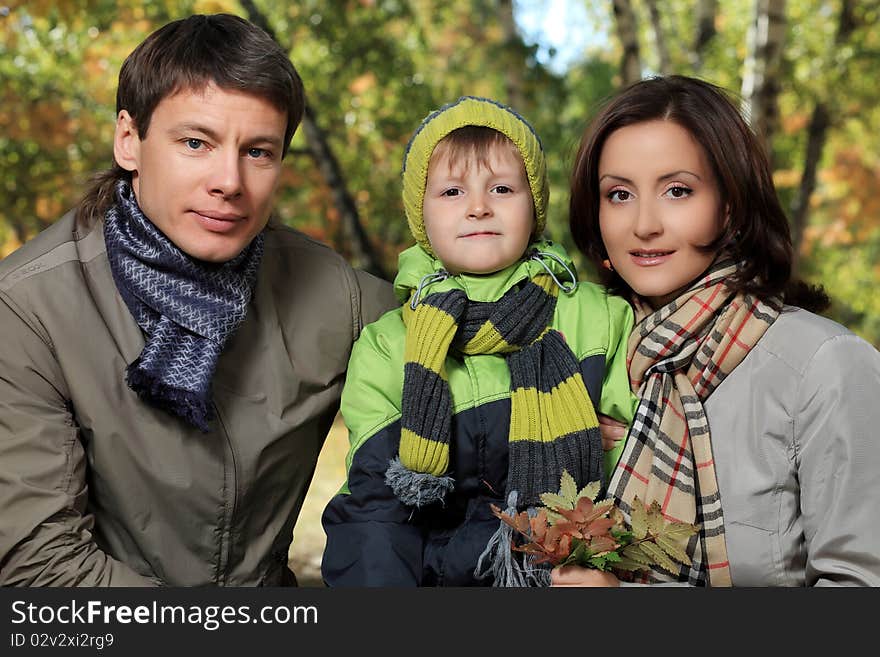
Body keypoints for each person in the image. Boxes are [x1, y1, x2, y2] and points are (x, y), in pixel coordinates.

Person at [0, 13, 396, 586]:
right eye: (195, 142)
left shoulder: (333, 293)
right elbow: (41, 569)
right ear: (129, 141)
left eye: (258, 152)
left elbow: (467, 329)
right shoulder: (27, 308)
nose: (229, 181)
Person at [558, 75, 880, 587]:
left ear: (729, 205)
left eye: (677, 191)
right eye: (619, 194)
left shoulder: (825, 365)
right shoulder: (577, 357)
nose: (644, 224)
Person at [321, 96, 636, 586]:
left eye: (503, 188)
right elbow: (375, 514)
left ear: (535, 206)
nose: (478, 207)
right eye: (451, 192)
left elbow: (639, 472)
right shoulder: (389, 345)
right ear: (419, 214)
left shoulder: (597, 318)